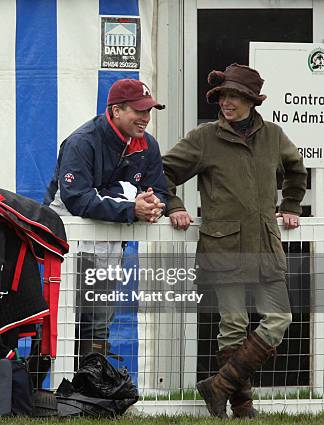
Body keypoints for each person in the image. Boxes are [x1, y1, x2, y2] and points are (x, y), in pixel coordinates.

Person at [163, 64, 307, 418]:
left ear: (250, 101)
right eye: (223, 95)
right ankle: (242, 405)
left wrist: (290, 204)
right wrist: (174, 204)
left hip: (265, 243)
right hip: (223, 246)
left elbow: (296, 169)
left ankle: (219, 386)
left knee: (279, 318)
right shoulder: (203, 138)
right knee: (233, 324)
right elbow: (162, 171)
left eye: (235, 96)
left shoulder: (273, 135)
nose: (227, 102)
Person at [44, 78, 168, 357]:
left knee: (98, 325)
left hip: (109, 246)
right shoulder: (82, 141)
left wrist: (155, 205)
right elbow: (77, 199)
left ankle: (89, 395)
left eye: (148, 111)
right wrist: (130, 208)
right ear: (115, 111)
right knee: (56, 324)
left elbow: (160, 189)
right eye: (139, 111)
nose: (145, 118)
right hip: (67, 245)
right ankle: (31, 394)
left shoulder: (148, 145)